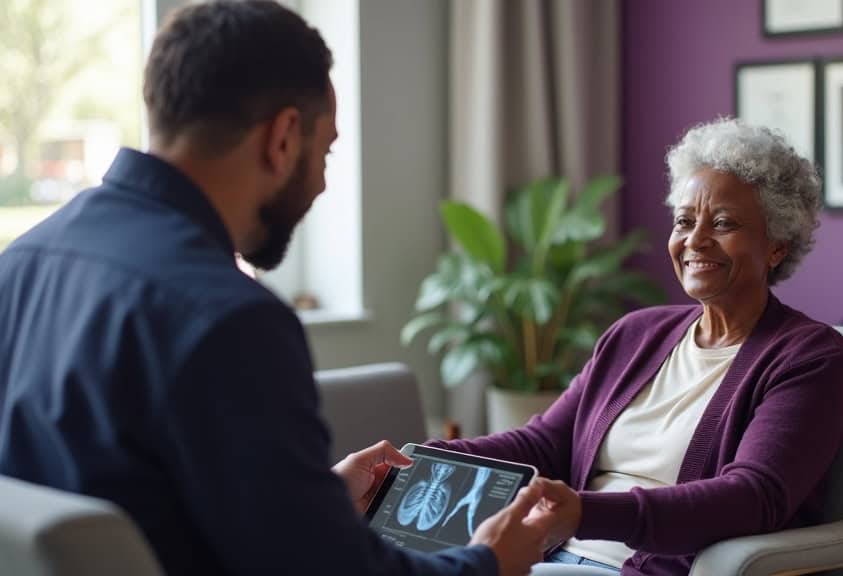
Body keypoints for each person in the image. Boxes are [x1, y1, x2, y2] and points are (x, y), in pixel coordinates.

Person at [0, 2, 553, 575]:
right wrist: (488, 562)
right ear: (284, 137)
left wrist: (316, 502)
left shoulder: (21, 262)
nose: (321, 182)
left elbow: (140, 498)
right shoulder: (226, 318)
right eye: (327, 150)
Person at [430, 118, 843, 575]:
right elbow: (545, 442)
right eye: (684, 221)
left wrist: (584, 513)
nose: (695, 239)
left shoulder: (808, 356)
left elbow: (753, 496)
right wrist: (423, 459)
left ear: (776, 246)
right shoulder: (635, 334)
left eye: (724, 223)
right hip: (548, 558)